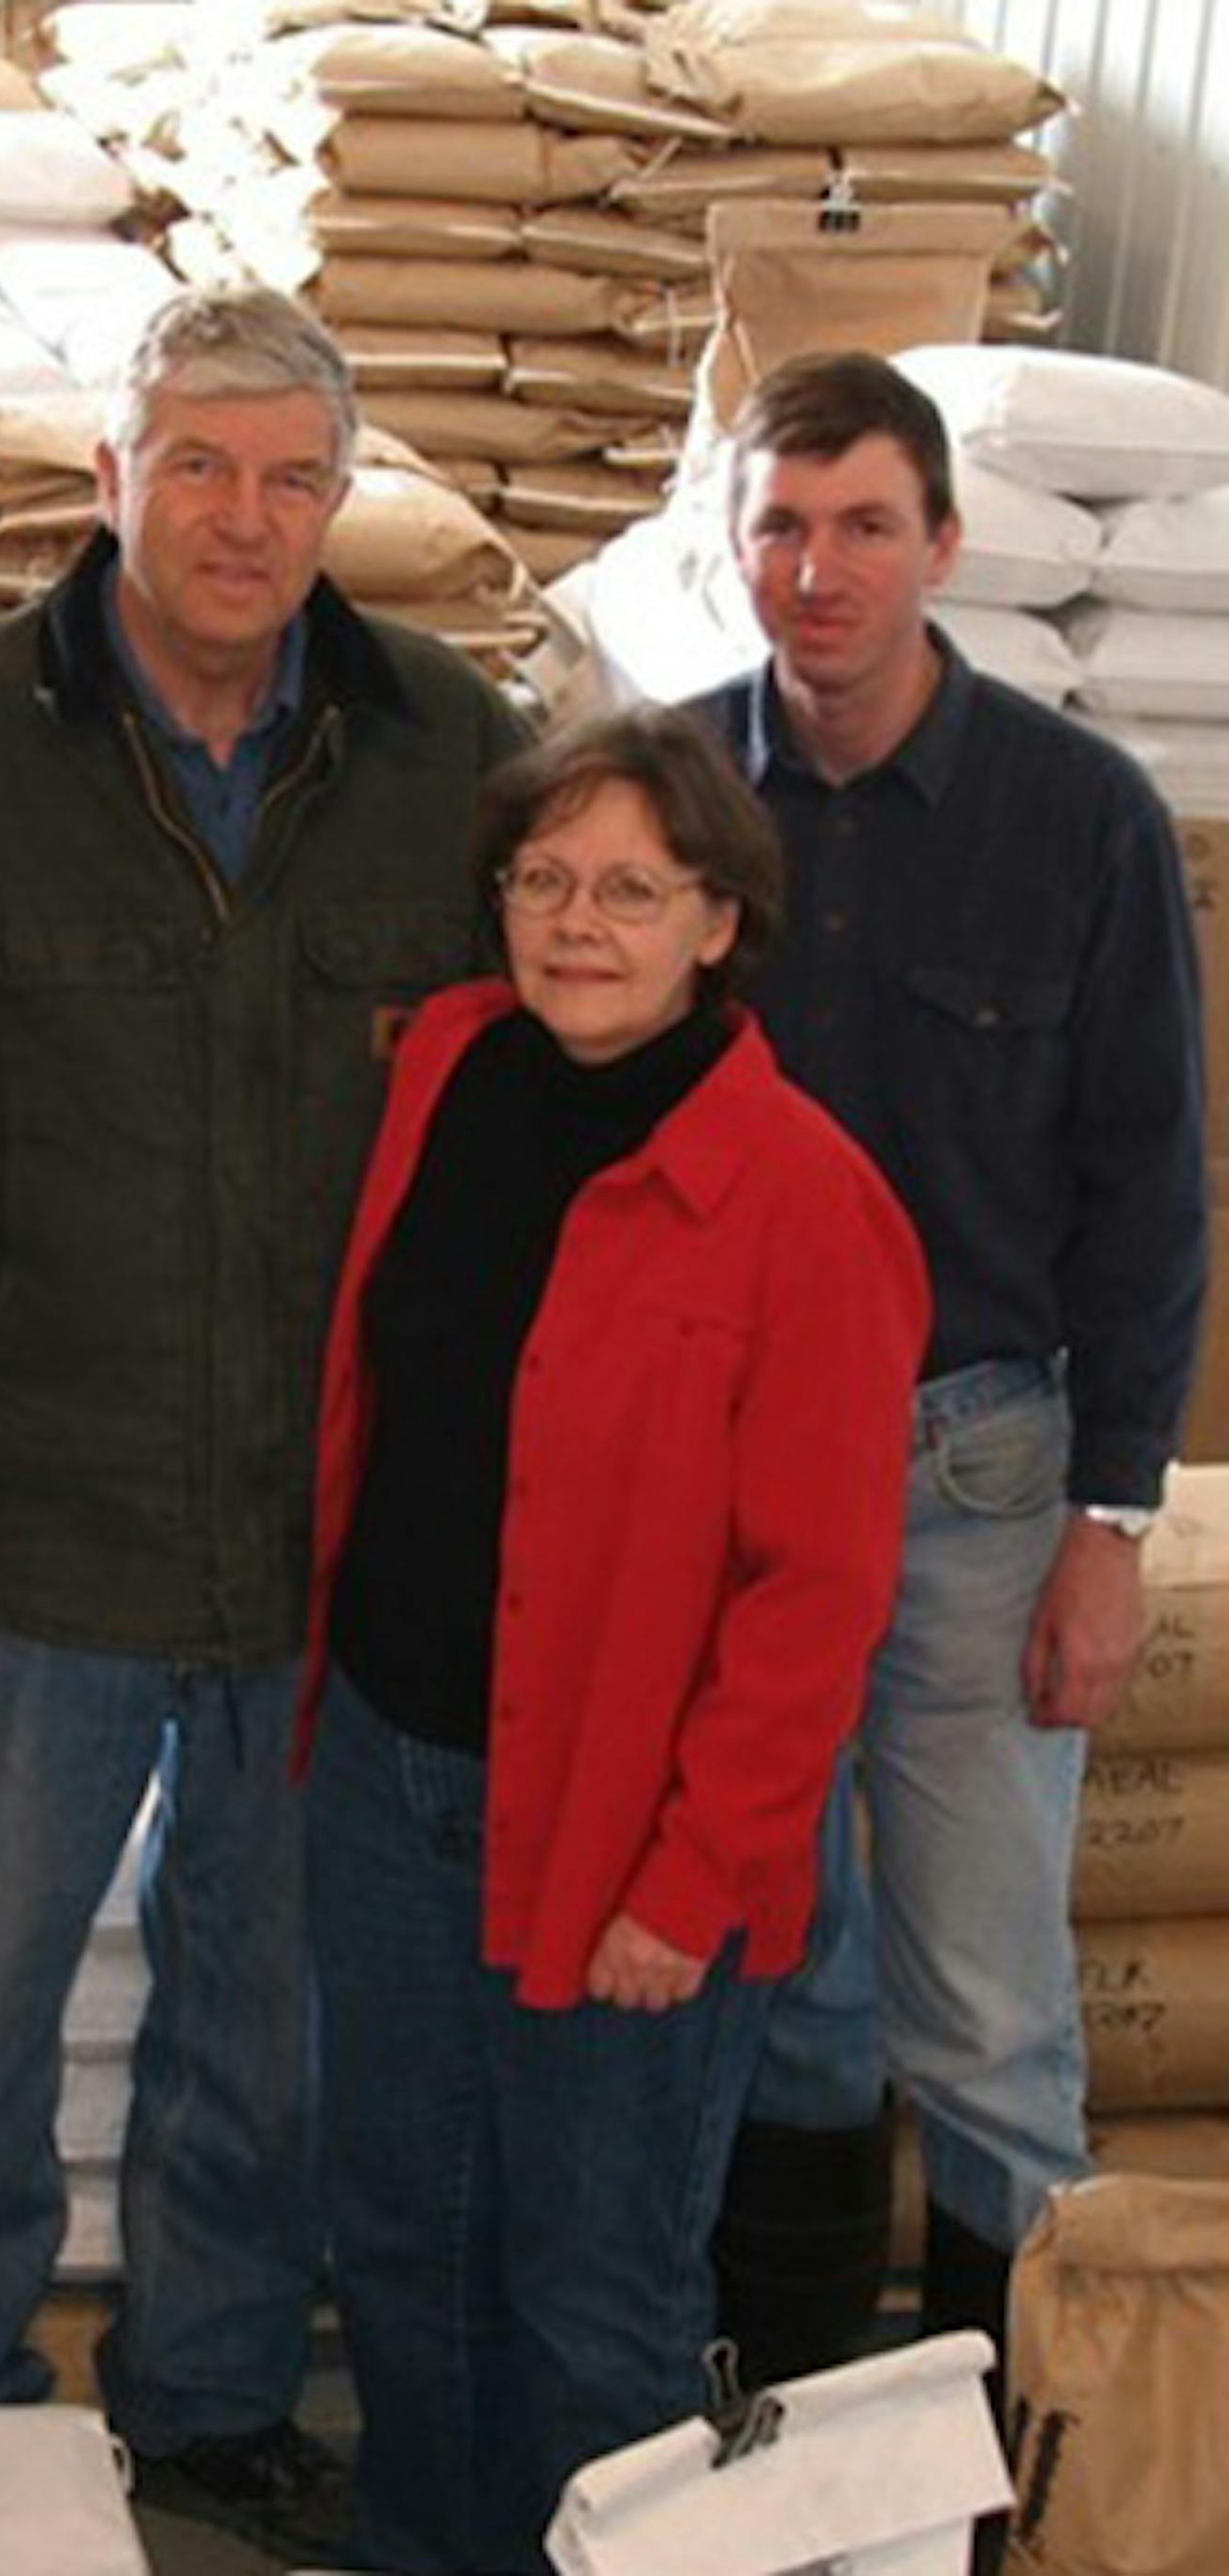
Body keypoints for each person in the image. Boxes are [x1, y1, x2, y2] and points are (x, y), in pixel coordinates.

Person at [0, 284, 522, 2563]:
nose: (242, 520)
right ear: (113, 479)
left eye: (290, 478)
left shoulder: (449, 748)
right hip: (25, 1532)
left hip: (319, 1541)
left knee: (265, 2021)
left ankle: (208, 2407)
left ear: (339, 500)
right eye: (198, 467)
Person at [297, 706, 929, 2574]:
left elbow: (816, 1598)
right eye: (545, 879)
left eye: (634, 891)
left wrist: (695, 1875)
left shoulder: (803, 1199)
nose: (579, 923)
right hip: (393, 1769)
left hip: (626, 1832)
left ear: (720, 923)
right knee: (405, 2241)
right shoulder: (451, 1068)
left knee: (597, 2294)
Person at [698, 352, 1207, 2415]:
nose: (819, 571)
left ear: (944, 543)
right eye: (782, 525)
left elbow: (1152, 1191)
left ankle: (1016, 2489)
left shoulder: (1078, 818)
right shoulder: (666, 797)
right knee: (784, 1985)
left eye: (865, 526)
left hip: (973, 1471)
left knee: (987, 2013)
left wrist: (1109, 1523)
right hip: (725, 1482)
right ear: (736, 546)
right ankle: (796, 2447)